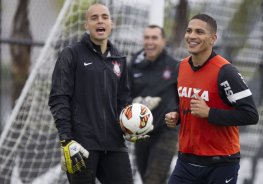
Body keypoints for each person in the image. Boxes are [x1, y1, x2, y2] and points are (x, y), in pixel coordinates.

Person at [165, 14, 259, 184]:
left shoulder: (225, 71)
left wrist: (209, 113)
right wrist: (175, 115)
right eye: (189, 31)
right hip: (185, 162)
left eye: (199, 32)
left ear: (212, 39)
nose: (192, 36)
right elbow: (179, 102)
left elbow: (251, 115)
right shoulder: (181, 67)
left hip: (221, 164)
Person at [48, 4, 134, 184]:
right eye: (94, 18)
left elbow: (123, 101)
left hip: (115, 145)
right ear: (86, 25)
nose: (100, 21)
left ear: (112, 23)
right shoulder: (71, 54)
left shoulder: (119, 58)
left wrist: (130, 126)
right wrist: (66, 141)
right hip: (80, 145)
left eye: (104, 17)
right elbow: (58, 98)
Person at [128, 25, 179, 184]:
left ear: (163, 41)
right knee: (147, 178)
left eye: (154, 38)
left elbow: (183, 100)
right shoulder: (132, 66)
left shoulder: (175, 66)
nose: (150, 42)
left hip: (166, 132)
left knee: (153, 179)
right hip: (141, 133)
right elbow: (123, 97)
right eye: (147, 37)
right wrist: (135, 104)